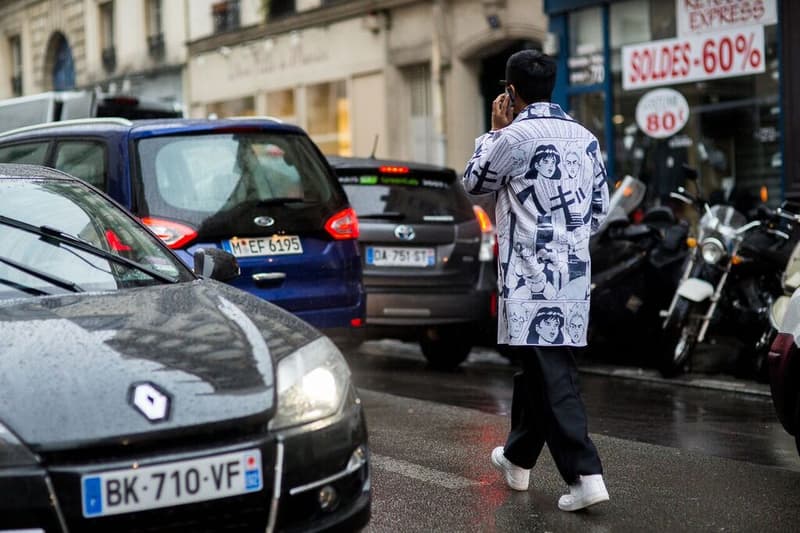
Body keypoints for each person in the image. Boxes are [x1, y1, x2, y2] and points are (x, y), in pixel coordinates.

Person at [462, 49, 610, 512]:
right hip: (571, 277)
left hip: (529, 279)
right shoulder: (585, 139)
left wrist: (495, 131)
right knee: (537, 368)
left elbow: (473, 182)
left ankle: (586, 475)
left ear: (511, 92)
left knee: (552, 375)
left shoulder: (514, 137)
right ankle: (518, 458)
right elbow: (600, 210)